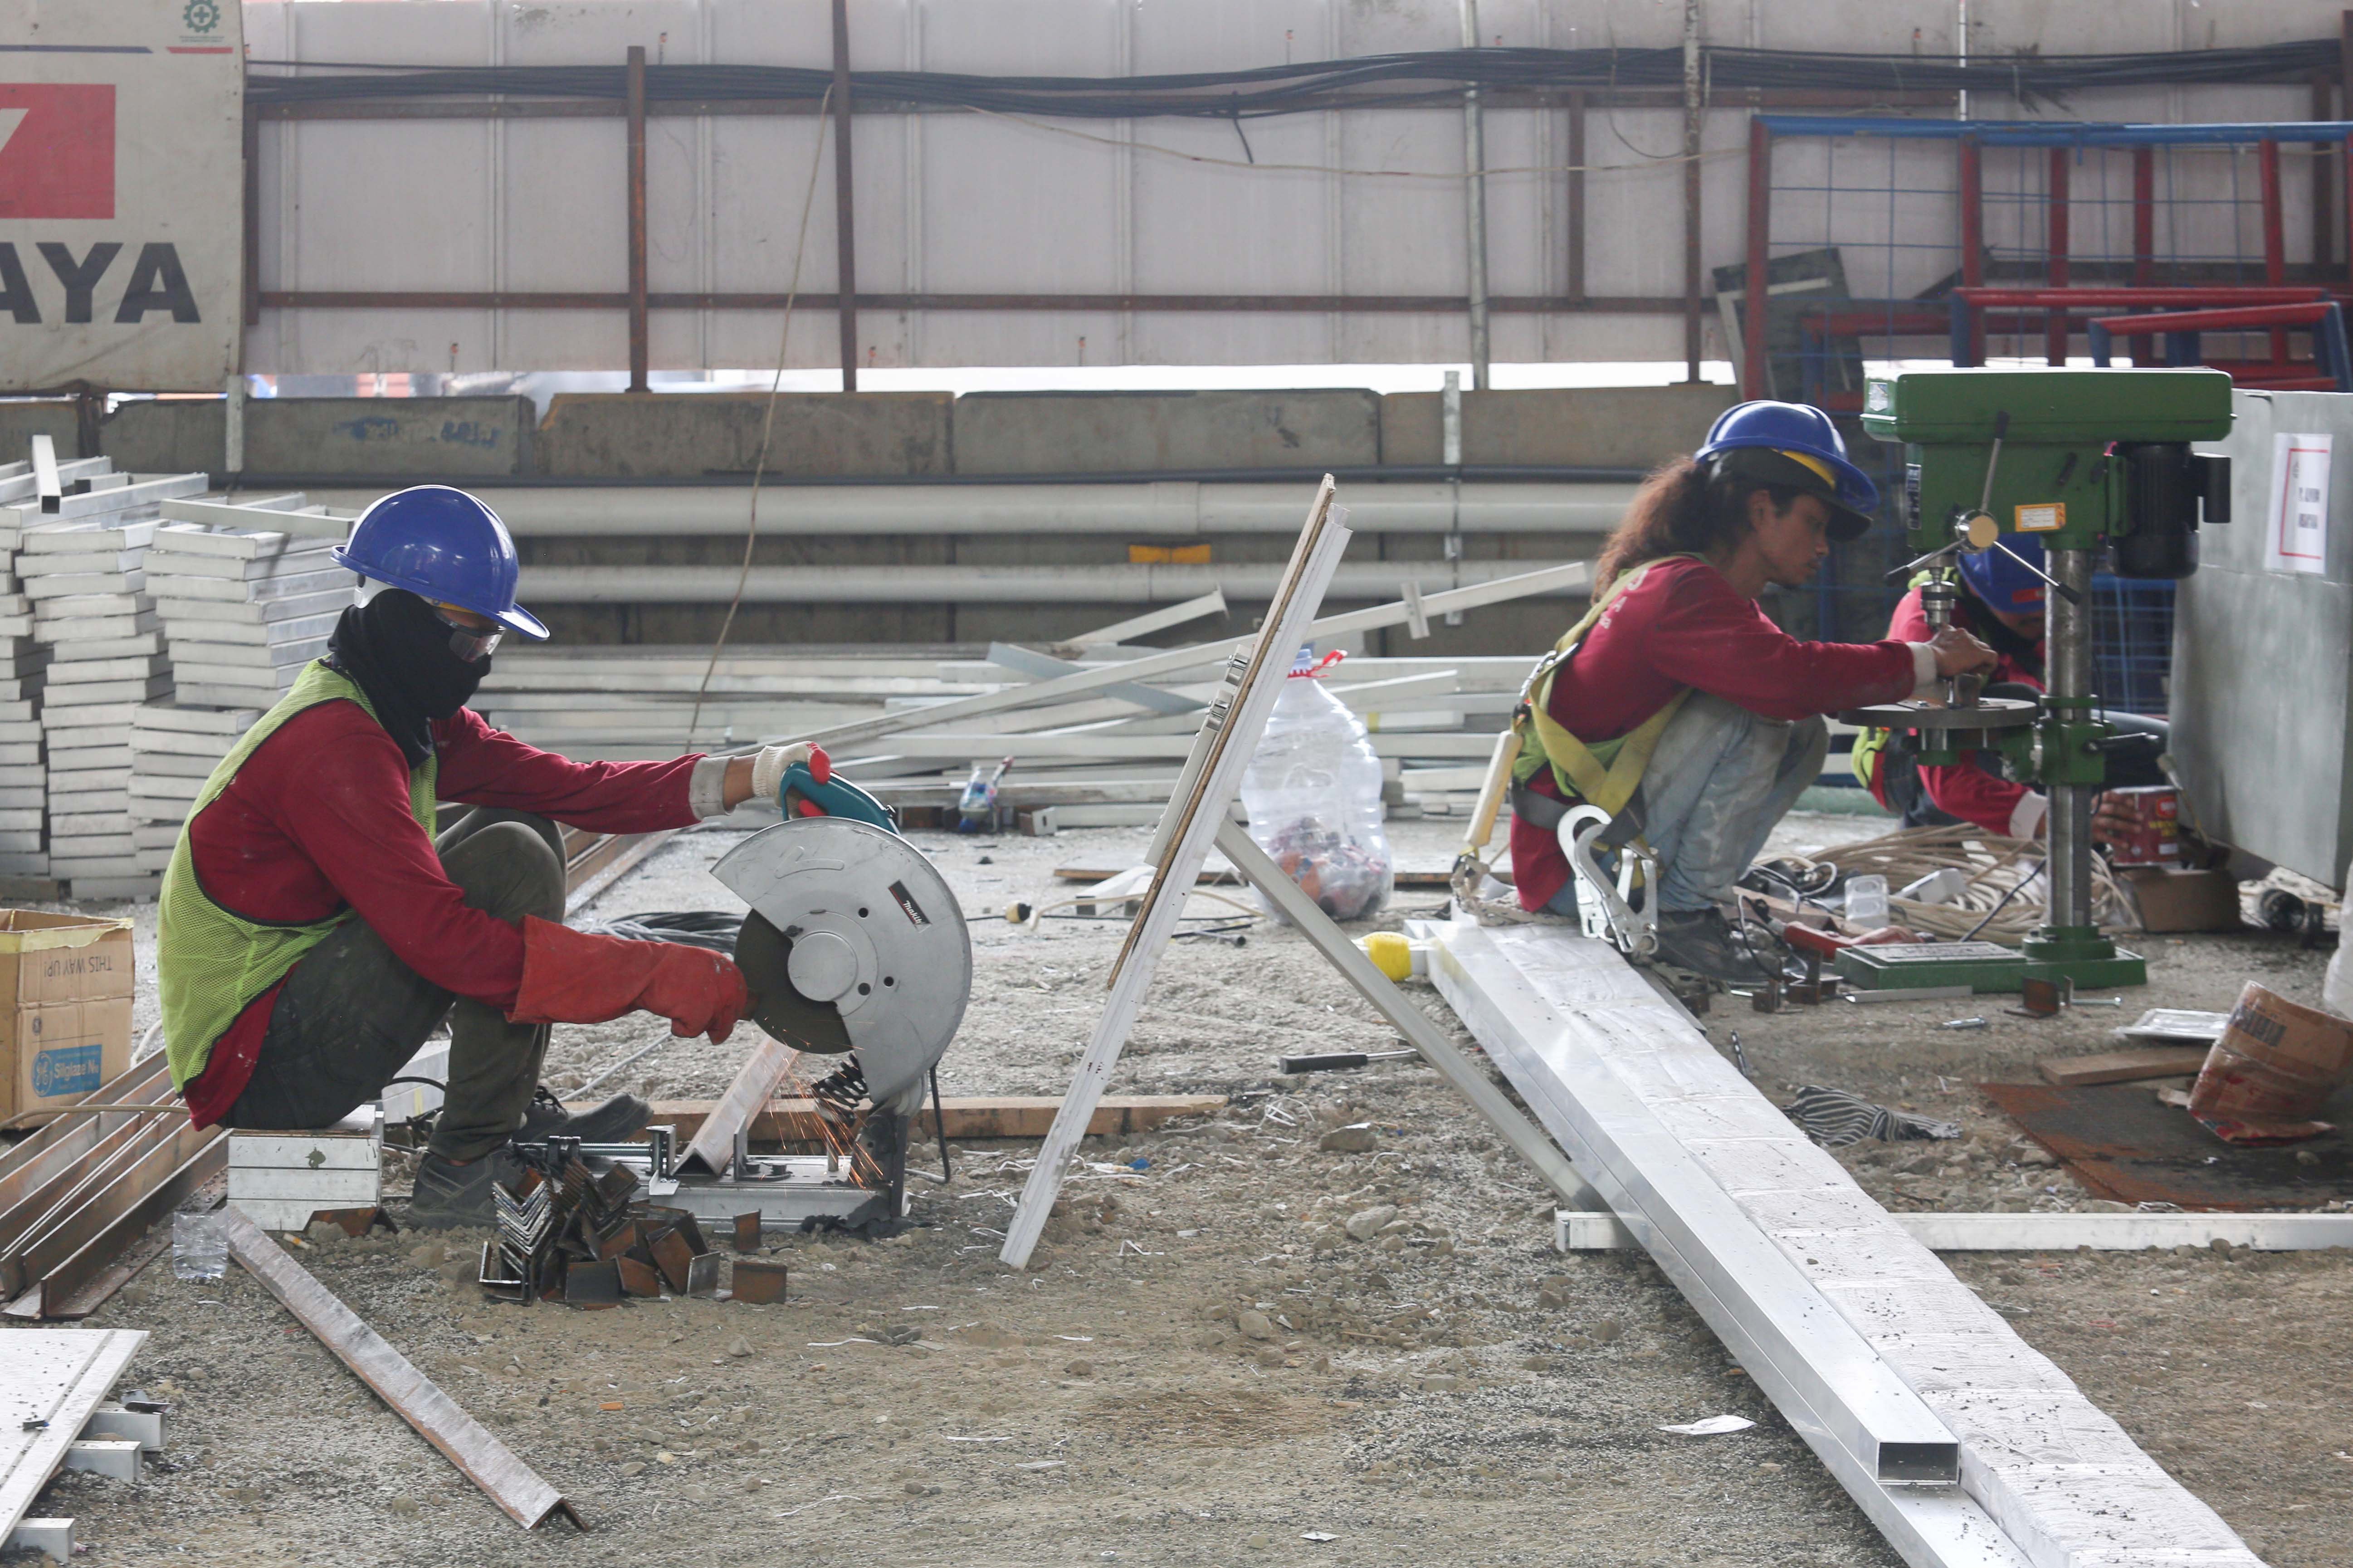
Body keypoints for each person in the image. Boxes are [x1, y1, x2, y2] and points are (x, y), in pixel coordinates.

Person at [156, 485, 816, 1227]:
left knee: (520, 829)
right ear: (407, 621)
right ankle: (464, 1165)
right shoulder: (336, 749)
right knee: (505, 862)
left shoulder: (395, 709)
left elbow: (577, 790)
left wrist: (751, 775)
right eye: (471, 640)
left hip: (297, 1004)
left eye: (488, 643)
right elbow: (453, 948)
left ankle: (499, 1118)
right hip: (263, 1062)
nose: (479, 664)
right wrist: (653, 974)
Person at [1505, 401, 1997, 983]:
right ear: (1762, 510)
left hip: (1593, 850)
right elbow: (1787, 678)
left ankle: (1688, 903)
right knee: (1761, 714)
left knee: (1799, 728)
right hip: (1581, 872)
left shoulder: (1695, 590)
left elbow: (1803, 677)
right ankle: (1682, 914)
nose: (1822, 547)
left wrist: (1909, 671)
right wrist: (1929, 658)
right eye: (1813, 524)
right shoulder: (1682, 593)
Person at [1853, 535, 2171, 842]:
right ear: (1979, 593)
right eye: (2027, 620)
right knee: (2018, 703)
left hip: (2006, 742)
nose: (2040, 622)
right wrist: (2057, 820)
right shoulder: (1928, 623)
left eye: (2046, 613)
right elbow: (1945, 782)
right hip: (1910, 768)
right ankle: (1925, 828)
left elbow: (2071, 727)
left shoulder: (2047, 610)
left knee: (2158, 749)